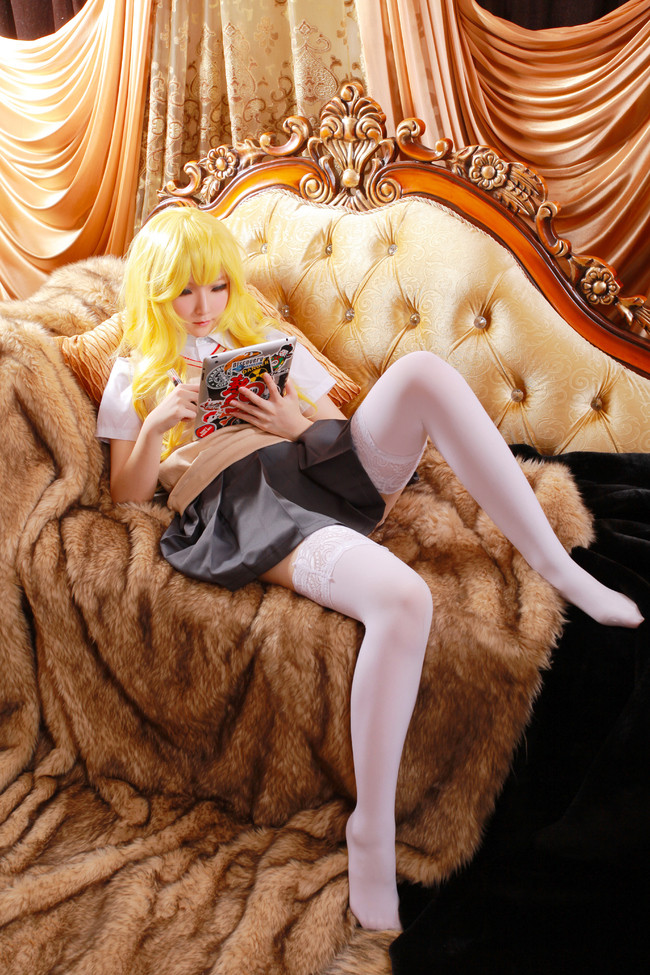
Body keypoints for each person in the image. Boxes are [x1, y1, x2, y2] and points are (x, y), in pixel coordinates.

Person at [97, 206, 643, 933]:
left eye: (217, 286)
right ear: (154, 295)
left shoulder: (260, 341)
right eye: (184, 293)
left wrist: (293, 422)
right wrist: (159, 424)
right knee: (403, 599)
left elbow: (331, 425)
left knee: (421, 372)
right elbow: (126, 495)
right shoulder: (134, 370)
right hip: (249, 503)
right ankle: (372, 833)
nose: (205, 307)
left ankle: (557, 564)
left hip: (321, 465)